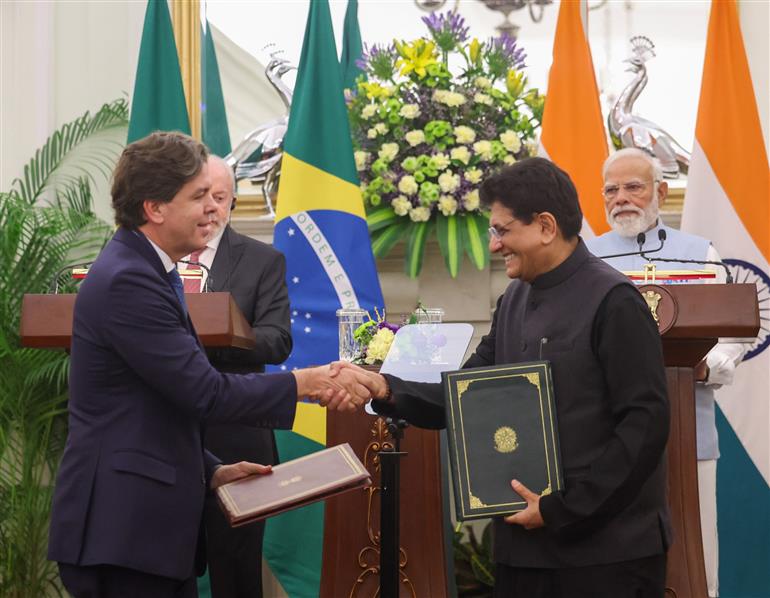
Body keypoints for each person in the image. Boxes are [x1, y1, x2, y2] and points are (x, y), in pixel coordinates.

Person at [47, 132, 373, 598]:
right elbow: (206, 393)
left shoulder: (152, 271)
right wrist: (309, 381)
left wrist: (212, 470)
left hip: (143, 528)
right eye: (199, 196)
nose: (214, 209)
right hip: (122, 529)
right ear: (154, 208)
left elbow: (153, 406)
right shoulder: (129, 281)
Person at [336, 157, 672, 598]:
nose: (495, 245)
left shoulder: (615, 301)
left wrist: (561, 509)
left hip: (605, 553)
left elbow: (644, 426)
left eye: (503, 230)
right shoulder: (514, 299)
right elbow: (467, 396)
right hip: (523, 551)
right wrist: (387, 388)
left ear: (546, 226)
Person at [585, 147, 746, 597]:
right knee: (614, 557)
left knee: (696, 553)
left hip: (687, 427)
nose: (621, 198)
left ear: (660, 191)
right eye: (611, 190)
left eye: (633, 187)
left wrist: (715, 361)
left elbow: (732, 329)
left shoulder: (700, 253)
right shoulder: (584, 259)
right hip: (606, 435)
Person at [178, 155, 292, 598]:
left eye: (220, 197)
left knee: (237, 578)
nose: (210, 207)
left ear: (233, 201)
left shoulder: (262, 260)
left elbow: (277, 340)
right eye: (200, 196)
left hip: (237, 437)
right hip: (169, 437)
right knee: (168, 570)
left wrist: (216, 332)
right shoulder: (156, 259)